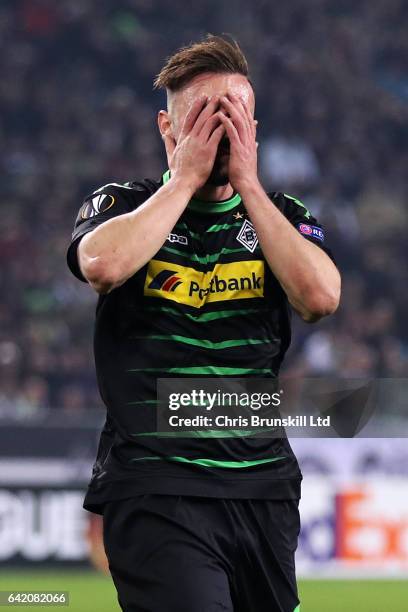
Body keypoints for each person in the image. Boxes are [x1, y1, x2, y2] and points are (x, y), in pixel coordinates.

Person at [67, 35, 340, 612]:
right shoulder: (121, 204)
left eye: (234, 117)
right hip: (157, 485)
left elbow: (320, 297)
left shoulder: (282, 217)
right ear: (167, 130)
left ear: (256, 130)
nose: (221, 132)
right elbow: (103, 265)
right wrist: (187, 179)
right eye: (203, 118)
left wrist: (249, 186)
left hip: (262, 487)